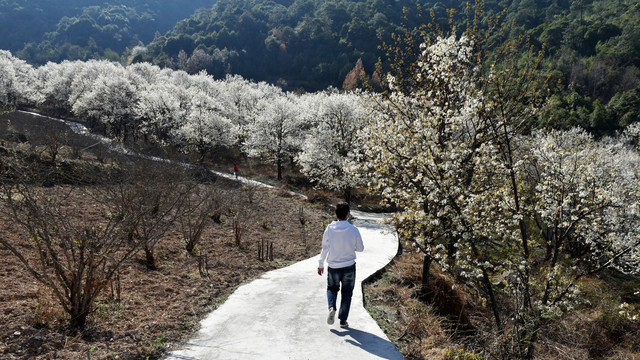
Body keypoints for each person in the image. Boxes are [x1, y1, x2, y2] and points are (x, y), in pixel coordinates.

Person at [317, 203, 364, 328]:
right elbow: (360, 248)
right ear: (348, 214)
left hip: (333, 266)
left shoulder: (329, 229)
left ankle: (332, 307)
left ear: (336, 215)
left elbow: (324, 248)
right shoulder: (353, 230)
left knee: (332, 289)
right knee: (347, 293)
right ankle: (343, 321)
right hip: (349, 266)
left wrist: (321, 263)